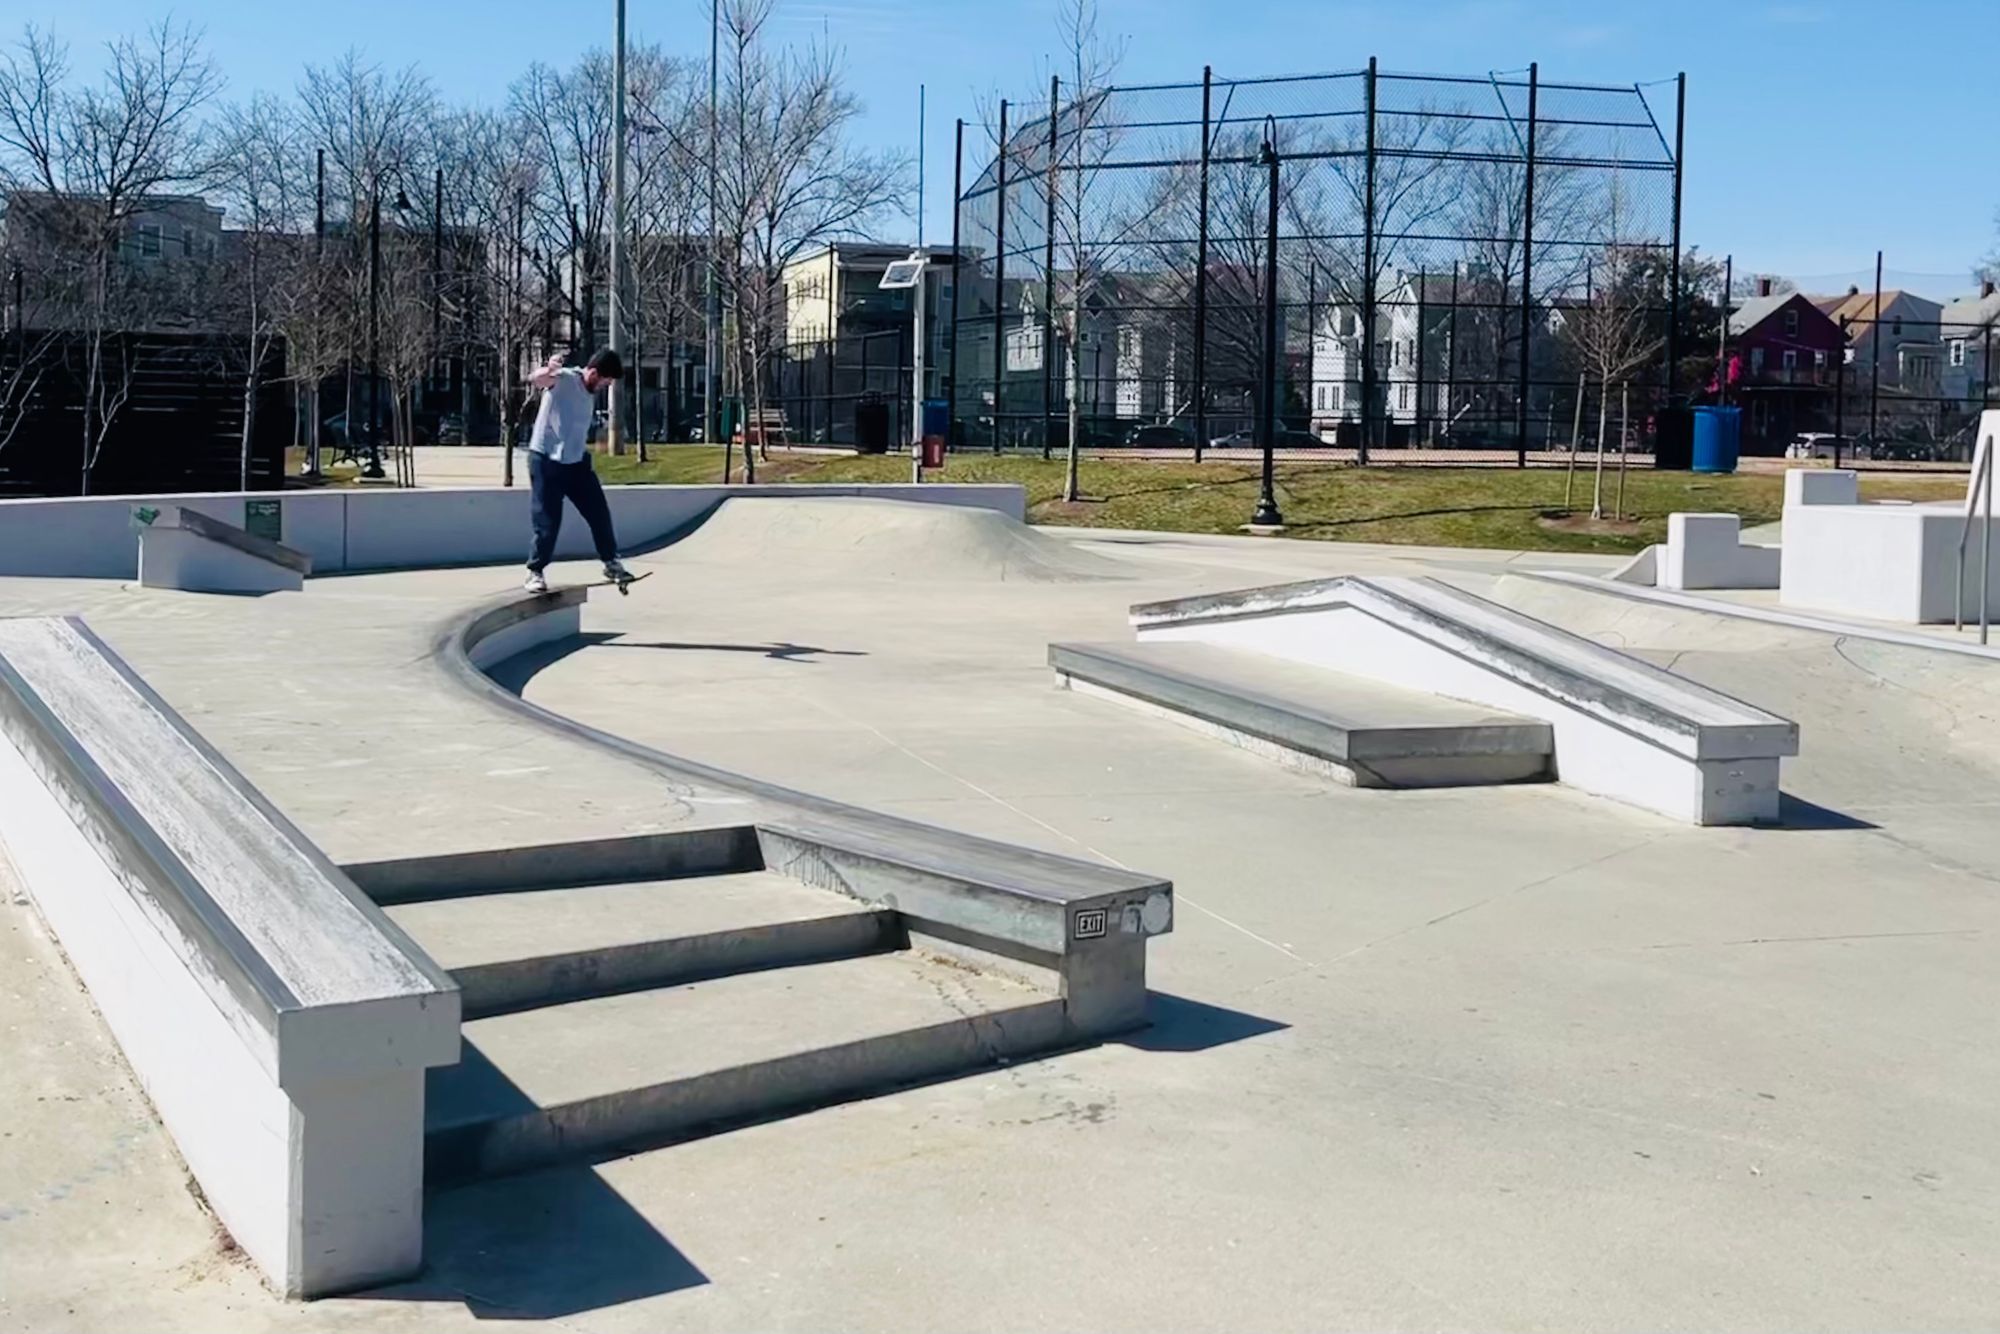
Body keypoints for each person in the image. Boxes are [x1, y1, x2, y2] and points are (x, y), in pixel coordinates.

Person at [521, 347, 631, 593]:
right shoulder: (566, 379)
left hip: (577, 463)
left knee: (599, 513)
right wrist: (549, 369)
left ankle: (611, 562)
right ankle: (535, 571)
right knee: (548, 521)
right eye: (605, 381)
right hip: (546, 461)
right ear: (593, 372)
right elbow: (536, 379)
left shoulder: (588, 388)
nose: (605, 386)